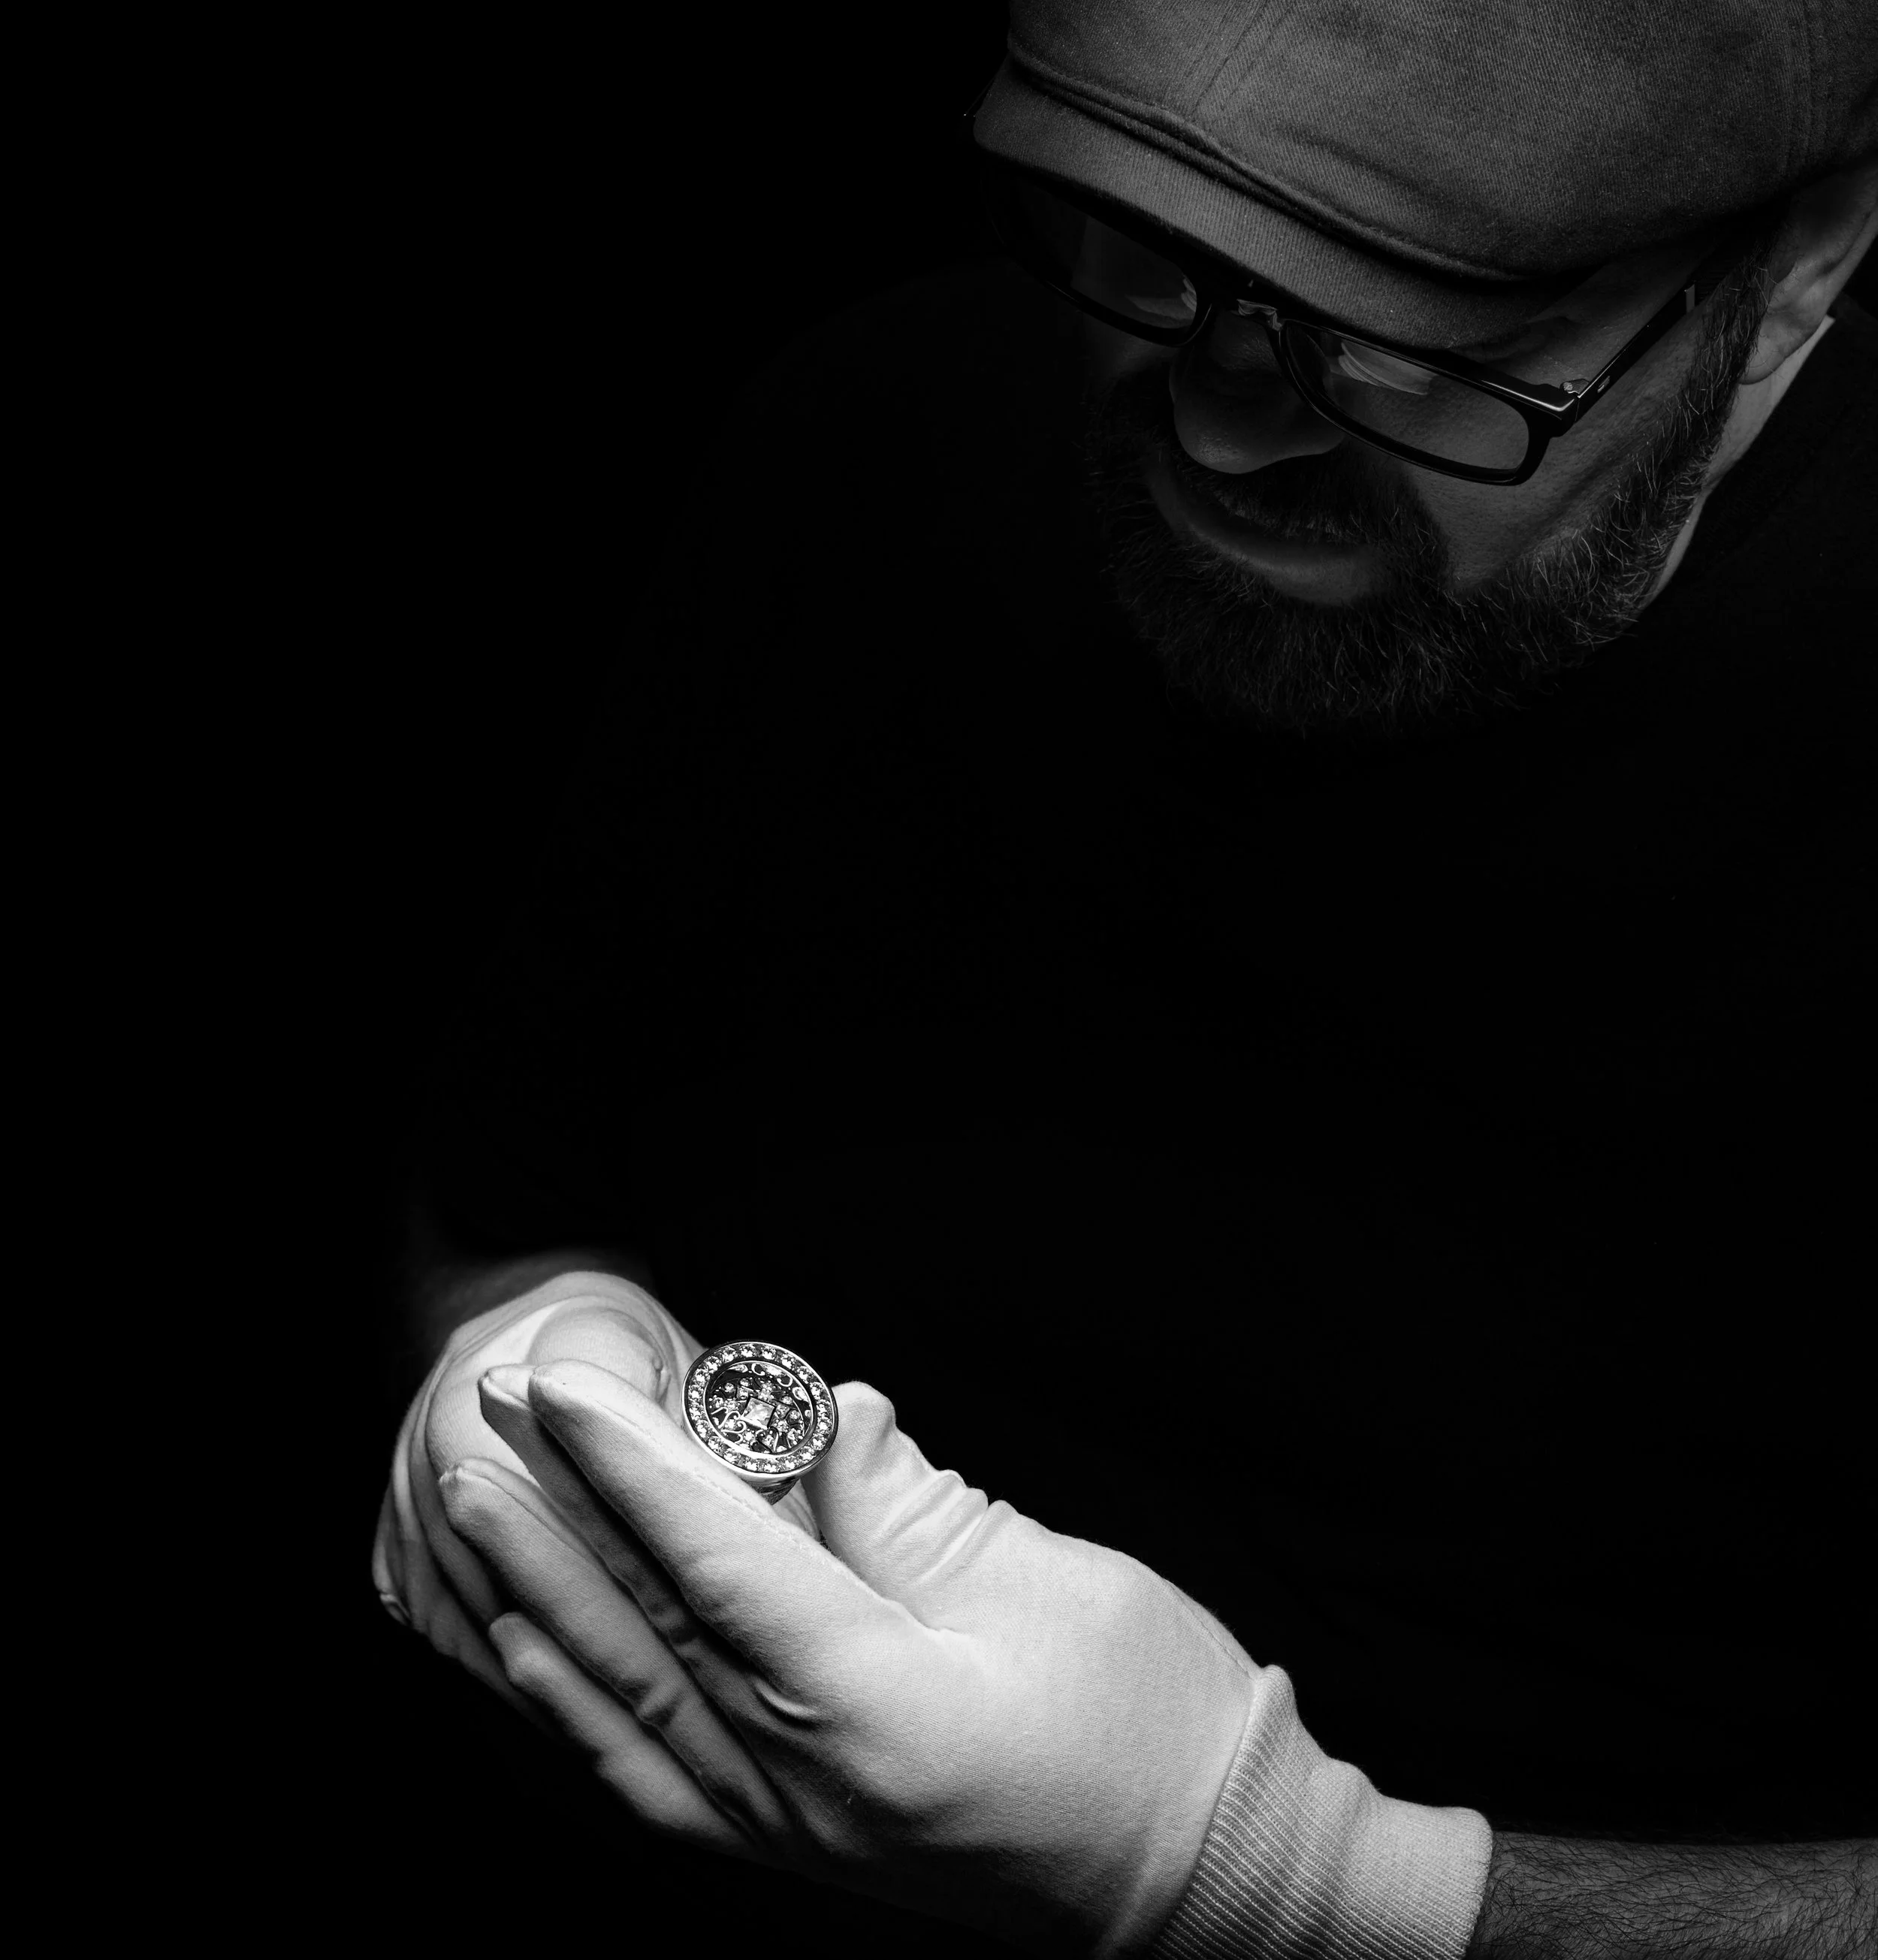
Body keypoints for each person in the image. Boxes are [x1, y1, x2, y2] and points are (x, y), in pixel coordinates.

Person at [373, 2, 1878, 1952]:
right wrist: (514, 1345)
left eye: (1425, 340)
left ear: (1803, 270)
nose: (1225, 417)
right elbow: (504, 1166)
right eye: (1156, 261)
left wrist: (1326, 1890)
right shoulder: (884, 423)